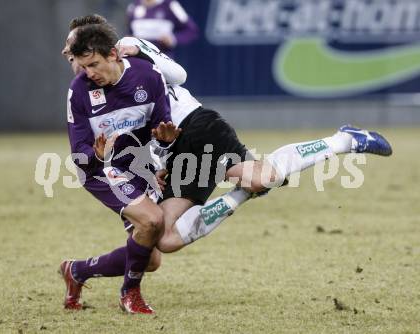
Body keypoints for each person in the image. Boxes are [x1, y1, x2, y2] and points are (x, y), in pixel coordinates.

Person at [60, 15, 393, 315]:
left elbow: (178, 75)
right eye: (72, 56)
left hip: (195, 126)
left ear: (103, 46)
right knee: (164, 243)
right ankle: (77, 270)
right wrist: (151, 161)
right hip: (164, 154)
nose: (72, 60)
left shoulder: (132, 55)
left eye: (75, 52)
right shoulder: (85, 89)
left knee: (262, 177)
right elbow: (125, 139)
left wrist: (145, 51)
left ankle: (345, 140)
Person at [63, 22, 181, 314]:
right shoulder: (79, 91)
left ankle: (76, 271)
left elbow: (161, 129)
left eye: (94, 64)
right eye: (83, 65)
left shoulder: (149, 77)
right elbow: (79, 153)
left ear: (114, 54)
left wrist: (164, 145)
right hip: (99, 169)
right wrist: (97, 154)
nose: (89, 72)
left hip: (137, 166)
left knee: (150, 259)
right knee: (152, 220)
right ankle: (130, 294)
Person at [126, 0, 198, 58]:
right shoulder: (133, 7)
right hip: (138, 59)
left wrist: (173, 39)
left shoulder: (171, 5)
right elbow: (130, 33)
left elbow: (191, 30)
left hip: (162, 59)